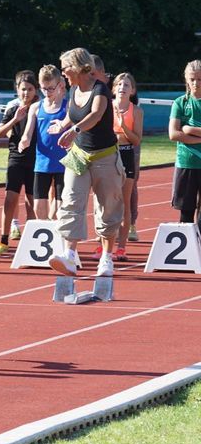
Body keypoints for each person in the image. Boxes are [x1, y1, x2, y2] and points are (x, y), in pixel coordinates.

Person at [47, 48, 125, 279]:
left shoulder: (100, 89)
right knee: (70, 201)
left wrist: (74, 130)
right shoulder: (73, 89)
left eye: (65, 68)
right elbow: (73, 114)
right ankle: (69, 256)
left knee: (107, 207)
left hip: (104, 157)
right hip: (79, 154)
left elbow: (96, 114)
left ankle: (106, 258)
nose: (63, 73)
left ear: (79, 67)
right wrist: (62, 124)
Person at [0, 70, 38, 255]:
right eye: (23, 89)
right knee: (10, 199)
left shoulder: (41, 109)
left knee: (32, 202)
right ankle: (3, 240)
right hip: (16, 158)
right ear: (17, 89)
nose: (26, 93)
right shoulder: (13, 110)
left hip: (36, 159)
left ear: (36, 90)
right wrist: (15, 120)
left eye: (30, 89)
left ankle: (33, 241)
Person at [18, 65, 69, 220]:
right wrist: (24, 141)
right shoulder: (36, 107)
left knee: (60, 209)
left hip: (63, 163)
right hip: (42, 163)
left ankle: (58, 233)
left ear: (60, 85)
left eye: (51, 88)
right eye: (43, 88)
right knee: (38, 207)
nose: (47, 92)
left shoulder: (68, 106)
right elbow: (28, 133)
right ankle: (45, 228)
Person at [110, 72, 143, 261]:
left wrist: (123, 127)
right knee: (105, 202)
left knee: (124, 202)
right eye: (120, 84)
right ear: (114, 88)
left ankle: (121, 248)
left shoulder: (136, 111)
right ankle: (103, 245)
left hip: (126, 153)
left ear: (133, 90)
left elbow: (137, 140)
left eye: (127, 85)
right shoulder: (106, 107)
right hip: (108, 155)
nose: (122, 87)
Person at [168, 60, 201, 226]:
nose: (196, 83)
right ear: (186, 79)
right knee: (186, 213)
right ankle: (189, 243)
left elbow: (181, 131)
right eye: (192, 79)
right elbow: (173, 134)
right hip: (186, 163)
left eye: (200, 79)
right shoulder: (180, 102)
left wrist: (188, 129)